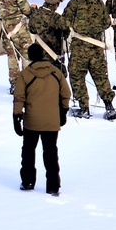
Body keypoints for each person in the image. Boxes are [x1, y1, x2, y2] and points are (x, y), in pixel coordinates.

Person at [13, 42, 72, 195]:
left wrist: (17, 117)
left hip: (31, 121)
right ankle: (53, 185)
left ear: (30, 57)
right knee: (51, 153)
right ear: (43, 55)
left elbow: (19, 98)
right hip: (52, 121)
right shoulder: (55, 72)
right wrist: (63, 112)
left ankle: (28, 182)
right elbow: (66, 94)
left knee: (28, 152)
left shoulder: (25, 75)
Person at [62, 0, 116, 120]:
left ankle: (84, 108)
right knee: (101, 77)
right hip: (96, 48)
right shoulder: (98, 2)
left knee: (77, 77)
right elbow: (107, 22)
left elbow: (64, 23)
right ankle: (109, 106)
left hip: (79, 47)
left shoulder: (73, 3)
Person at [29, 0, 70, 68]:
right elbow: (66, 33)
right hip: (54, 58)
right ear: (55, 4)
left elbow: (32, 30)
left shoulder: (34, 15)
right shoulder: (56, 18)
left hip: (38, 56)